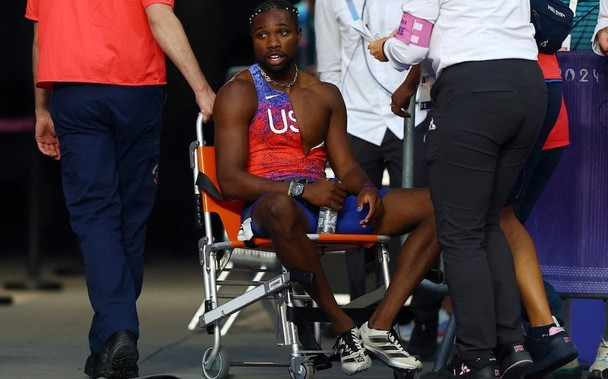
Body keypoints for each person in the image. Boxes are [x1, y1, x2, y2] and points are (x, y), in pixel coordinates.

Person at [214, 0, 445, 375]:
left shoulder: (324, 93)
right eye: (262, 36)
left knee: (441, 204)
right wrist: (300, 190)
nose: (273, 43)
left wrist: (366, 186)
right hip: (270, 206)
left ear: (299, 37)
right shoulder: (238, 92)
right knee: (279, 207)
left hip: (323, 205)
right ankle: (343, 326)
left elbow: (347, 166)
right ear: (253, 42)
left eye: (282, 33)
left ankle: (380, 325)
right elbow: (230, 179)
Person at [26, 0, 215, 377]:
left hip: (74, 92)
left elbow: (40, 39)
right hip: (136, 93)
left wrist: (42, 109)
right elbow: (159, 15)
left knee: (96, 216)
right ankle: (118, 332)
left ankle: (109, 342)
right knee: (129, 219)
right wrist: (201, 87)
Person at [369, 1, 547, 378]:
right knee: (487, 222)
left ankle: (477, 357)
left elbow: (412, 46)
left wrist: (385, 47)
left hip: (473, 92)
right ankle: (511, 347)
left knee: (462, 233)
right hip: (528, 84)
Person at [314, 0, 443, 357]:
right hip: (356, 119)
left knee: (426, 217)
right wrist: (333, 127)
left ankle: (422, 322)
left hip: (412, 114)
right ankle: (358, 323)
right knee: (356, 224)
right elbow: (330, 65)